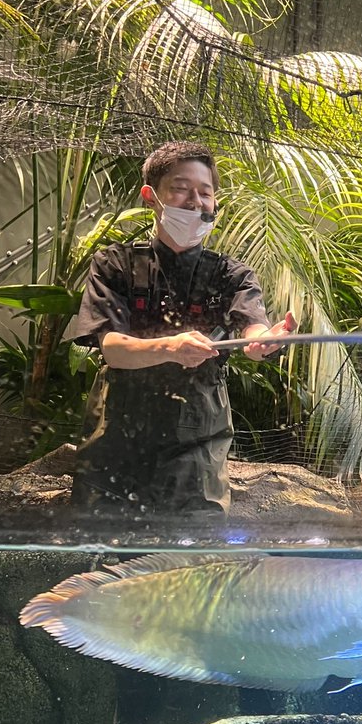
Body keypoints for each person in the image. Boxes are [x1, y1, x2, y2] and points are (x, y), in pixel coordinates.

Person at [70, 141, 296, 516]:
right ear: (151, 196)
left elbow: (253, 328)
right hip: (117, 433)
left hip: (198, 437)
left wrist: (264, 342)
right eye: (181, 188)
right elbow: (111, 347)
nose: (196, 201)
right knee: (102, 551)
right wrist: (170, 348)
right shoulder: (114, 264)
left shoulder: (232, 275)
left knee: (195, 550)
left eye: (206, 193)